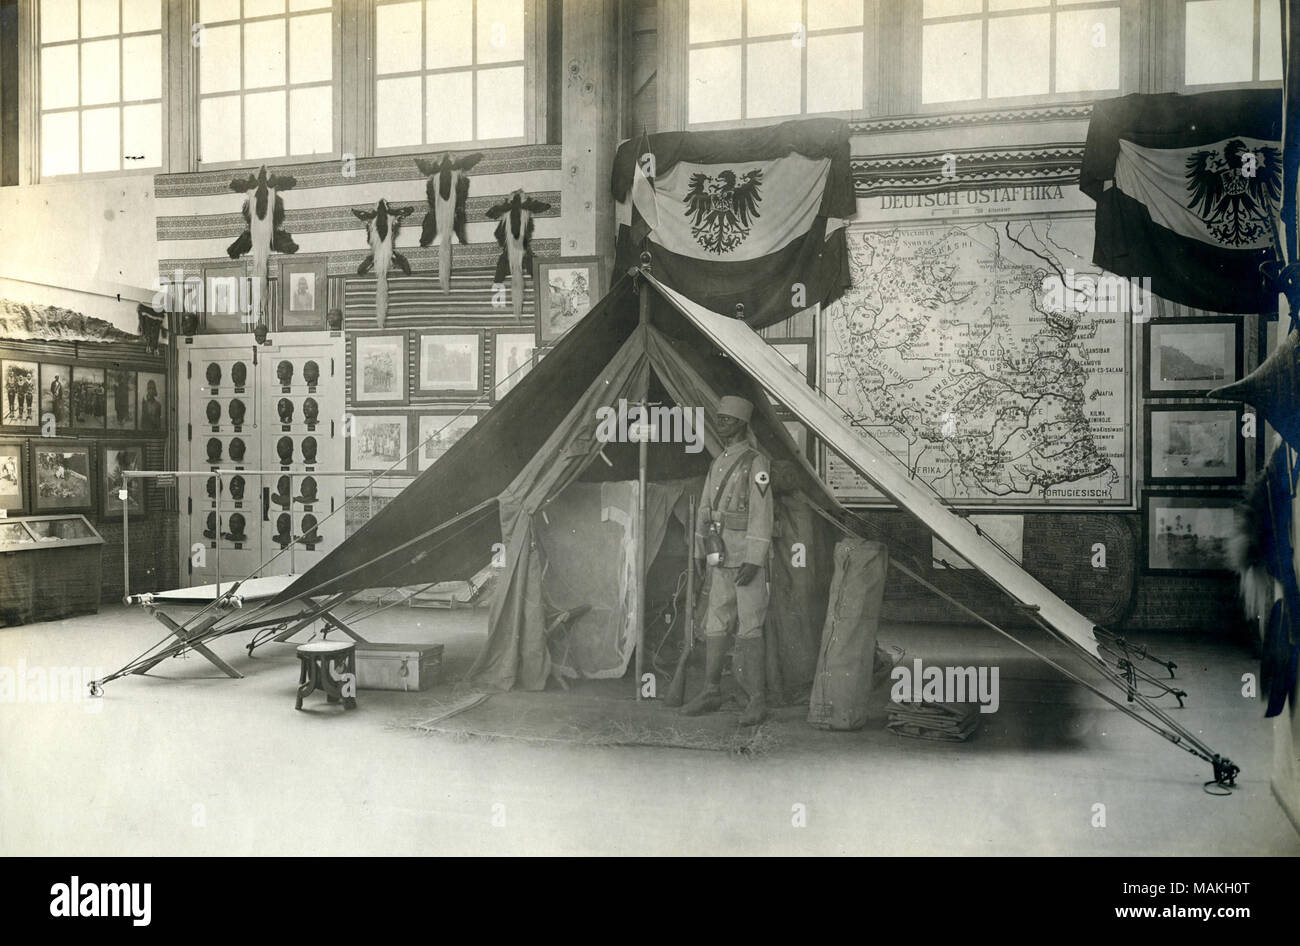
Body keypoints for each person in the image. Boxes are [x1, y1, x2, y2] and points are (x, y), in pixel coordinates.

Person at [680, 395, 773, 725]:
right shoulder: (717, 462)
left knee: (750, 625)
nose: (720, 425)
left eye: (727, 420)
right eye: (718, 419)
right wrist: (699, 551)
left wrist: (755, 558)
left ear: (742, 425)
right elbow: (705, 511)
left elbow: (762, 514)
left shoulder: (755, 463)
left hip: (745, 558)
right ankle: (710, 691)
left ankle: (757, 700)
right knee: (715, 623)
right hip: (719, 556)